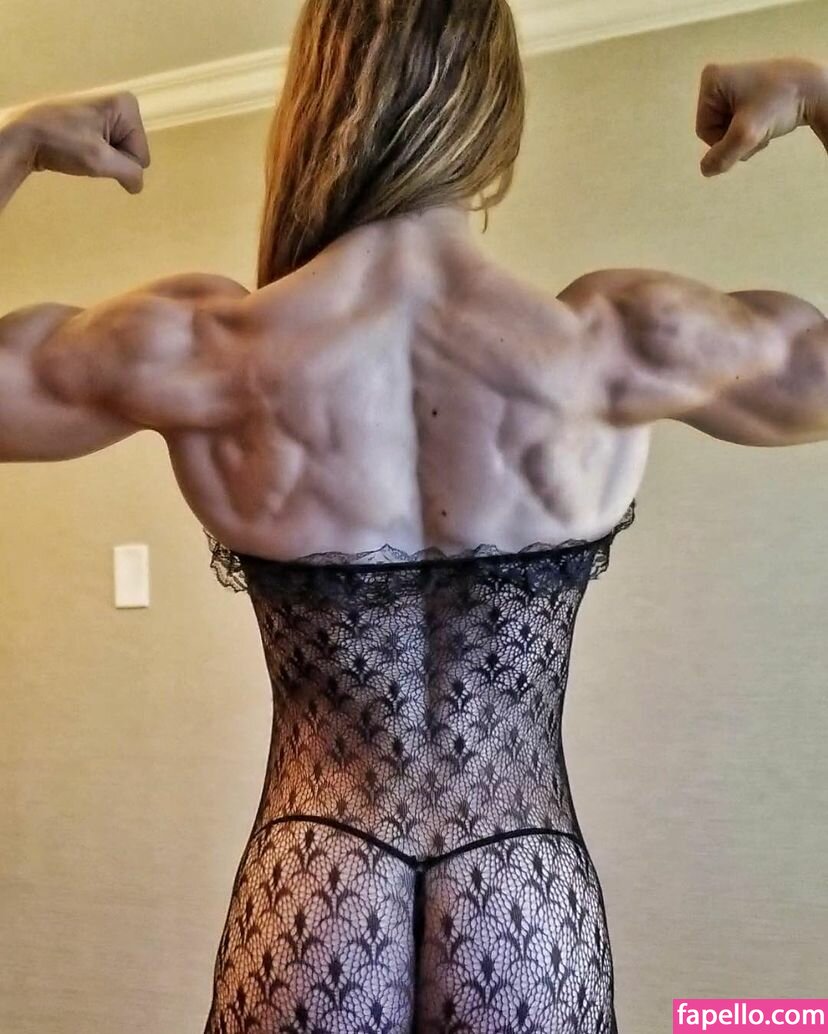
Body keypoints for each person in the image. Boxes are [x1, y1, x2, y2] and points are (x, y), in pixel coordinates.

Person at [1, 0, 826, 1029]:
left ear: (315, 102)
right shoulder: (617, 341)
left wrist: (16, 140)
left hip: (314, 882)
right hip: (522, 889)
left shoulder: (203, 347)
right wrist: (817, 94)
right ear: (493, 108)